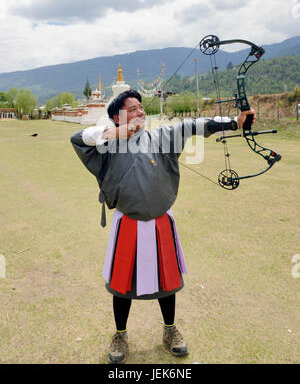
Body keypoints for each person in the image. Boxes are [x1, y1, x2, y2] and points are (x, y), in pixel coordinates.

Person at [70, 89, 255, 363]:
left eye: (140, 107)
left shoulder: (161, 136)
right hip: (128, 222)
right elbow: (78, 138)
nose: (140, 112)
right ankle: (120, 334)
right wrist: (117, 133)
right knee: (122, 286)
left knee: (167, 282)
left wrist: (233, 122)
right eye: (131, 109)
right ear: (116, 117)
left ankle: (170, 331)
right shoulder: (106, 145)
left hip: (160, 221)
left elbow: (193, 125)